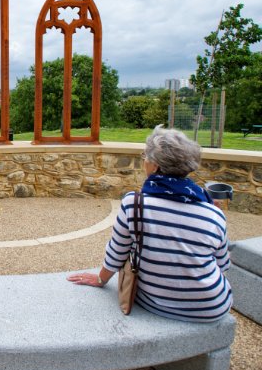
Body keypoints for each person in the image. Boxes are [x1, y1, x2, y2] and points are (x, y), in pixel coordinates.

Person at [67, 125, 232, 322]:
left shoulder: (134, 204)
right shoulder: (213, 213)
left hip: (156, 303)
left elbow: (117, 252)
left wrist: (101, 279)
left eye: (145, 155)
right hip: (213, 308)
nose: (143, 160)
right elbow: (223, 265)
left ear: (154, 165)